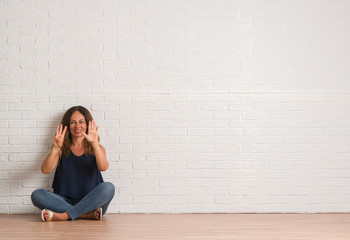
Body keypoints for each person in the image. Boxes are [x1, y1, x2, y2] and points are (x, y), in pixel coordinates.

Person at [31, 106, 115, 222]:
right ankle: (84, 214)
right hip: (63, 201)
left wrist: (94, 143)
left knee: (108, 187)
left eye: (81, 122)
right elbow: (45, 170)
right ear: (67, 126)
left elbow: (103, 167)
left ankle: (65, 215)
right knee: (37, 195)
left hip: (92, 201)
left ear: (87, 125)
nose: (77, 126)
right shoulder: (61, 149)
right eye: (73, 122)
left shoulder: (98, 148)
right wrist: (56, 148)